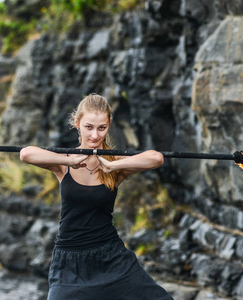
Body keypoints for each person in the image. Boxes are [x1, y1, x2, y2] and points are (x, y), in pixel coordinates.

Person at [20, 93, 174, 300]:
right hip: (70, 261)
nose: (95, 135)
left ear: (109, 124)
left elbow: (156, 158)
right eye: (89, 127)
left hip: (111, 257)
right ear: (77, 123)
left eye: (102, 128)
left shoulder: (117, 163)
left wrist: (114, 165)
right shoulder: (62, 163)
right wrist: (69, 161)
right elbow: (26, 154)